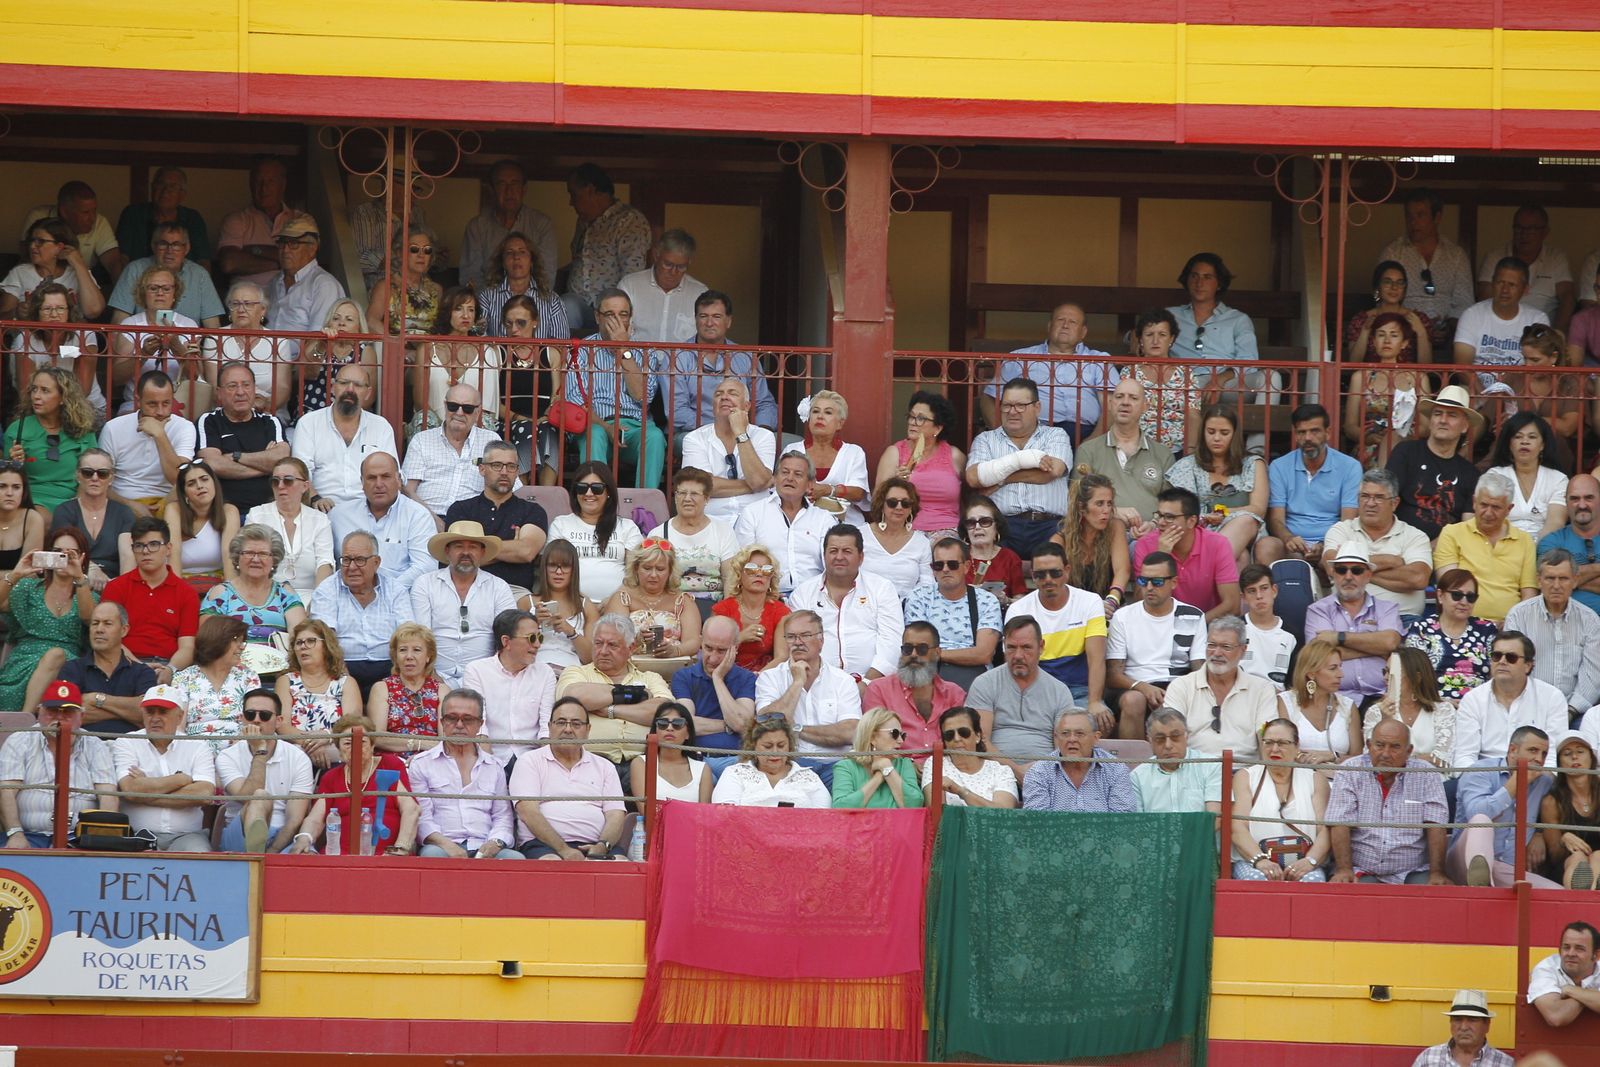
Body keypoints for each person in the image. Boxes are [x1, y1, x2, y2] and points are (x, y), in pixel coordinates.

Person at [560, 289, 664, 487]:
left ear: (630, 318)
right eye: (610, 315)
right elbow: (576, 403)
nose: (617, 321)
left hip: (636, 426)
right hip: (597, 423)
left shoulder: (645, 351)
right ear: (597, 317)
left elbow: (644, 397)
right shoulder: (580, 350)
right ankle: (594, 501)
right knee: (594, 435)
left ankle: (645, 507)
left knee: (655, 437)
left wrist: (623, 350)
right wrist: (608, 428)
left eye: (623, 315)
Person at [1327, 718, 1450, 884]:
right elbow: (1339, 824)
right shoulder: (1349, 771)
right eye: (1379, 745)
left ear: (1409, 751)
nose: (1385, 753)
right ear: (1369, 745)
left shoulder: (1426, 774)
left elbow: (1436, 826)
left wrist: (1437, 873)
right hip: (1361, 869)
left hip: (1411, 870)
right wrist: (1344, 870)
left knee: (1432, 898)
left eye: (1395, 747)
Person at [979, 302, 1117, 444]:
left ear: (1083, 332)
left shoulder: (1100, 360)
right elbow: (989, 398)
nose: (1065, 325)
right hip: (1033, 435)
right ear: (1049, 326)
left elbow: (1111, 407)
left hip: (1086, 434)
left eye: (1073, 322)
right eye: (1060, 320)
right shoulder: (1020, 358)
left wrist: (1093, 443)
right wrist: (1006, 437)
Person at [408, 688, 522, 860]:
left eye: (467, 719)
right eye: (452, 718)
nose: (459, 725)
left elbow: (503, 817)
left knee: (515, 860)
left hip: (485, 844)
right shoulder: (422, 764)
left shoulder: (495, 766)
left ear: (479, 724)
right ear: (442, 722)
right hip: (441, 846)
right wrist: (447, 845)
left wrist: (495, 843)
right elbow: (422, 818)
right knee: (433, 857)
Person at [0, 681, 116, 848]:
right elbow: (6, 792)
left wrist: (99, 837)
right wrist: (15, 833)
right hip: (28, 834)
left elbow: (108, 796)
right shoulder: (20, 740)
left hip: (79, 837)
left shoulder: (95, 745)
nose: (60, 717)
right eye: (52, 711)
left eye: (68, 712)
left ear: (81, 717)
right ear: (39, 713)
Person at [965, 377, 1073, 555]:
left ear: (1037, 408)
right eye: (1007, 405)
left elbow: (1052, 471)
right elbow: (974, 478)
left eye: (1020, 406)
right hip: (1002, 526)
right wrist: (1026, 462)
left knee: (1053, 564)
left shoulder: (1055, 435)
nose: (1012, 412)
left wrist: (1001, 479)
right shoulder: (986, 440)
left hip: (1049, 525)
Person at [510, 696, 628, 859]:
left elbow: (615, 814)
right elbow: (528, 812)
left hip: (595, 845)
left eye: (576, 724)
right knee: (552, 863)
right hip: (543, 845)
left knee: (621, 864)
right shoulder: (529, 761)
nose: (568, 729)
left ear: (588, 730)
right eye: (561, 722)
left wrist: (602, 846)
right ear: (550, 727)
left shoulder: (604, 766)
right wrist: (564, 850)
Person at [787, 525, 902, 685]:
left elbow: (892, 643)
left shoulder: (881, 588)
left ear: (861, 557)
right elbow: (798, 644)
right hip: (816, 683)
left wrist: (867, 683)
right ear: (824, 555)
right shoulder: (803, 593)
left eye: (847, 551)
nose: (839, 557)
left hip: (872, 684)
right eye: (833, 551)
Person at [1106, 551, 1204, 738]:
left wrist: (1177, 691)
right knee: (1133, 700)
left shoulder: (1194, 615)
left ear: (1173, 583)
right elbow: (1112, 675)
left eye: (1157, 582)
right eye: (1143, 581)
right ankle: (1132, 766)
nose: (1149, 587)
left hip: (1178, 684)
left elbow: (1199, 669)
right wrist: (1142, 687)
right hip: (1133, 686)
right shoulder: (1123, 617)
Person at [556, 615, 675, 768]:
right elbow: (573, 697)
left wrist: (611, 710)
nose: (603, 651)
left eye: (612, 645)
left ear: (631, 648)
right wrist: (635, 694)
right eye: (598, 643)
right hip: (588, 762)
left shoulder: (650, 678)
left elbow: (666, 713)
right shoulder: (577, 673)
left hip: (644, 762)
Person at [1005, 542, 1107, 721]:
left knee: (1095, 723)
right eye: (1040, 574)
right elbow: (1015, 660)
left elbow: (1096, 659)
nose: (1048, 579)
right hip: (1035, 689)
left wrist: (1095, 701)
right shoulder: (1018, 609)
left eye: (1055, 573)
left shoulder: (1090, 601)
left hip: (1079, 689)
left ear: (1067, 570)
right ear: (1032, 576)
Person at [752, 609, 863, 773]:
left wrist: (797, 729)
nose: (797, 642)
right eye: (791, 637)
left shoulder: (843, 681)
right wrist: (797, 683)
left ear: (821, 640)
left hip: (836, 766)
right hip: (788, 765)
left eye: (805, 635)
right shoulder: (769, 678)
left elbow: (850, 732)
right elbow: (768, 725)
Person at [293, 713, 418, 857]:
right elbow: (315, 819)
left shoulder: (390, 765)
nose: (355, 747)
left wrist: (400, 849)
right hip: (339, 856)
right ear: (339, 751)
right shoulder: (331, 777)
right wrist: (303, 839)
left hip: (387, 855)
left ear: (372, 746)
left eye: (362, 742)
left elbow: (411, 810)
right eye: (347, 743)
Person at [1447, 725, 1555, 889]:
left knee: (1557, 893)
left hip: (1509, 870)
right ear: (1512, 750)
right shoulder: (1481, 770)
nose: (1539, 759)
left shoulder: (1545, 782)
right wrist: (1514, 785)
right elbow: (1476, 813)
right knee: (1481, 820)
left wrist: (1539, 833)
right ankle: (1482, 888)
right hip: (1463, 862)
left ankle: (1486, 887)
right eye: (1533, 751)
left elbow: (1558, 810)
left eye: (1544, 754)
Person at [110, 684, 215, 853]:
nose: (155, 718)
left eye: (163, 712)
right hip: (137, 835)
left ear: (180, 716)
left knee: (199, 857)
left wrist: (144, 790)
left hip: (187, 836)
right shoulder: (126, 742)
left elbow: (204, 794)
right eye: (150, 712)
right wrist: (180, 780)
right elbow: (130, 789)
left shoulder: (198, 746)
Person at [966, 617, 1076, 777]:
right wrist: (1016, 771)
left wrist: (1039, 774)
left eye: (1026, 647)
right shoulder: (985, 683)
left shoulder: (1059, 691)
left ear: (1041, 646)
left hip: (1047, 774)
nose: (1018, 655)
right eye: (1011, 647)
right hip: (993, 773)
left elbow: (1063, 747)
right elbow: (980, 741)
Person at [0, 527, 94, 714]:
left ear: (82, 558)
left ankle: (24, 721)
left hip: (68, 669)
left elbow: (89, 618)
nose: (63, 558)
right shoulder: (29, 588)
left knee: (56, 654)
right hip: (23, 664)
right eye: (57, 552)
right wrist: (15, 574)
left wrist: (79, 578)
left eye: (71, 553)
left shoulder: (86, 595)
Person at [308, 531, 417, 692]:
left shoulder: (395, 590)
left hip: (390, 667)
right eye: (346, 560)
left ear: (376, 562)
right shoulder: (326, 590)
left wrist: (396, 677)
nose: (352, 567)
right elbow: (325, 640)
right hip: (341, 667)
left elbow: (408, 635)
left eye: (359, 560)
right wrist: (345, 681)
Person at [412, 521, 518, 687]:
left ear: (482, 552)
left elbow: (508, 638)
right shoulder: (425, 584)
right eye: (459, 546)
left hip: (486, 679)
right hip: (431, 676)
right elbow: (419, 636)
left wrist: (490, 678)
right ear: (447, 551)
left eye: (473, 547)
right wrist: (432, 679)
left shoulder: (499, 587)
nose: (466, 552)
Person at [1162, 404, 1267, 569]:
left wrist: (1222, 513)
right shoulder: (1187, 465)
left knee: (1246, 520)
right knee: (1241, 558)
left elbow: (1258, 509)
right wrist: (1206, 518)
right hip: (1199, 532)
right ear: (1202, 432)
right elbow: (1180, 511)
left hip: (1246, 533)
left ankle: (1203, 572)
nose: (1216, 438)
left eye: (1224, 433)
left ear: (1235, 435)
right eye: (1211, 432)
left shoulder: (1253, 464)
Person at [1322, 469, 1433, 621]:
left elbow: (1418, 578)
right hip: (1347, 617)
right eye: (1365, 496)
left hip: (1402, 617)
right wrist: (1390, 561)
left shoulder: (1414, 536)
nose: (1370, 503)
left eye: (1379, 497)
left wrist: (1353, 569)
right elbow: (1331, 566)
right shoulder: (1341, 530)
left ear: (1394, 503)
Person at [442, 440, 547, 601]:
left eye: (511, 466)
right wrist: (511, 547)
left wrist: (474, 549)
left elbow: (526, 551)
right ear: (482, 469)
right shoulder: (461, 510)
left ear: (517, 471)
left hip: (515, 592)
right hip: (467, 587)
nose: (504, 472)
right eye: (497, 465)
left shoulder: (532, 511)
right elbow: (454, 561)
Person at [1257, 403, 1361, 567]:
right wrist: (1288, 539)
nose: (1308, 438)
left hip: (1331, 543)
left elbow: (1348, 520)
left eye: (1314, 431)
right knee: (1266, 546)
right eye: (1302, 432)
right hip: (1292, 544)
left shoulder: (1350, 467)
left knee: (1338, 553)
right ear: (1296, 435)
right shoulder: (1279, 466)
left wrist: (1326, 545)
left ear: (1327, 433)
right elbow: (1276, 519)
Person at [1228, 718, 1330, 882]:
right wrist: (1260, 860)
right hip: (1253, 862)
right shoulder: (1246, 777)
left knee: (1312, 883)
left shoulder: (1316, 779)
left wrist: (1310, 861)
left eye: (1282, 743)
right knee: (1257, 881)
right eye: (1268, 742)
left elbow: (1324, 830)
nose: (1274, 749)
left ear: (1297, 746)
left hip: (1304, 861)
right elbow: (1238, 827)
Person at [1162, 616, 1278, 758]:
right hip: (1194, 771)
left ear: (1243, 650)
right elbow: (1171, 735)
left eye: (1226, 647)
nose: (1216, 653)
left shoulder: (1262, 689)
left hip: (1244, 772)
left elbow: (1267, 737)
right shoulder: (1181, 686)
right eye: (1211, 645)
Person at [665, 289, 779, 434]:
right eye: (703, 316)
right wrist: (719, 430)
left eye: (717, 316)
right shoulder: (677, 357)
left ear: (728, 321)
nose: (709, 323)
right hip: (694, 432)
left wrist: (762, 432)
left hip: (741, 431)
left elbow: (764, 403)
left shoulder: (746, 356)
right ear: (696, 320)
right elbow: (677, 410)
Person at [214, 687, 313, 853]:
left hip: (281, 836)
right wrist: (260, 749)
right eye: (250, 714)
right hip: (239, 835)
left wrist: (273, 851)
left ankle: (258, 859)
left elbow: (294, 820)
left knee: (308, 855)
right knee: (260, 797)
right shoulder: (227, 756)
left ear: (279, 721)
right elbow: (247, 797)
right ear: (242, 719)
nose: (257, 720)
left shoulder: (298, 757)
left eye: (265, 715)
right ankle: (255, 858)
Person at [101, 516, 199, 681]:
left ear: (168, 548)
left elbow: (188, 647)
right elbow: (108, 638)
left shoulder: (186, 593)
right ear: (133, 550)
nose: (145, 551)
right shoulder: (116, 588)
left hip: (170, 668)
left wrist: (170, 670)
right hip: (123, 665)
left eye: (154, 544)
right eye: (139, 546)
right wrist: (139, 667)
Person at [1505, 550, 1600, 720]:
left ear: (1575, 580)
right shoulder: (1519, 615)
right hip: (1526, 709)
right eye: (1550, 578)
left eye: (1563, 578)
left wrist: (1569, 711)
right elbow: (1512, 668)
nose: (1556, 585)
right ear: (1539, 580)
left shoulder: (1590, 620)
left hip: (1575, 713)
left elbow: (1592, 674)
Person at [1303, 545, 1402, 705]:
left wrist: (1338, 637)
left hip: (1382, 697)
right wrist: (1376, 649)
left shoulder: (1387, 608)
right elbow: (1319, 656)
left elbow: (1390, 642)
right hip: (1334, 698)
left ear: (1368, 575)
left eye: (1356, 570)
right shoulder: (1318, 610)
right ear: (1334, 574)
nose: (1348, 576)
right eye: (1341, 570)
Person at [290, 365, 398, 511]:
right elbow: (300, 472)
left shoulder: (381, 426)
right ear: (333, 387)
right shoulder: (309, 423)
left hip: (369, 508)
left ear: (368, 393)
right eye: (344, 383)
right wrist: (315, 498)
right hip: (321, 508)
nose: (350, 390)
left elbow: (392, 473)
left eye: (358, 385)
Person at [1454, 631, 1567, 768]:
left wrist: (1542, 782)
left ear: (1528, 665)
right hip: (1486, 776)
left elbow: (1552, 756)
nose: (1502, 661)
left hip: (1535, 775)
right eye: (1496, 656)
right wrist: (1476, 783)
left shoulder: (1552, 697)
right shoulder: (1473, 700)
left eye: (1511, 657)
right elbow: (1465, 756)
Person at [1435, 473, 1537, 624]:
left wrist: (1512, 623)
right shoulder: (1452, 533)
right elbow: (1450, 589)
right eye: (1483, 505)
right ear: (1474, 502)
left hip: (1509, 628)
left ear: (1509, 509)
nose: (1488, 513)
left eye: (1496, 507)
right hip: (1463, 625)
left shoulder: (1524, 540)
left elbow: (1529, 594)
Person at [1378, 188, 1475, 346]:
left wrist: (1448, 328)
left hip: (1448, 338)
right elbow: (1381, 300)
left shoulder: (1456, 255)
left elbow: (1464, 302)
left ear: (1437, 217)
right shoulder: (1393, 253)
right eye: (1409, 216)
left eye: (1420, 215)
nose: (1413, 222)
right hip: (1402, 338)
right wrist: (1414, 326)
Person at [1386, 385, 1482, 542]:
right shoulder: (1406, 453)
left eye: (1452, 415)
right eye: (1438, 414)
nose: (1443, 420)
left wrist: (1435, 548)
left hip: (1444, 551)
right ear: (1430, 421)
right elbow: (1386, 501)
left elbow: (1468, 527)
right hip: (1398, 542)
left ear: (1464, 426)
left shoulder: (1470, 474)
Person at [461, 609, 557, 766]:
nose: (538, 645)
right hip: (490, 756)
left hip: (532, 759)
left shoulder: (545, 673)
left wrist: (543, 767)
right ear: (506, 641)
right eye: (531, 638)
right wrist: (490, 768)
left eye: (539, 637)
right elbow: (479, 729)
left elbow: (546, 730)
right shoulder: (476, 671)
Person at [904, 538, 1002, 691]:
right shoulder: (918, 597)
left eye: (952, 564)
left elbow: (984, 654)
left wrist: (935, 653)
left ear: (967, 567)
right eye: (938, 565)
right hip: (927, 671)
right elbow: (918, 649)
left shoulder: (987, 600)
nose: (945, 569)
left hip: (973, 675)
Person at [562, 163, 651, 331]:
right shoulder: (583, 221)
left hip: (610, 310)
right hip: (577, 306)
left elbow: (632, 274)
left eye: (574, 195)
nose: (571, 202)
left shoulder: (629, 221)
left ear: (589, 190)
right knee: (566, 304)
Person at [1075, 379, 1174, 529]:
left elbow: (1171, 503)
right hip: (1102, 535)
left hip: (1150, 537)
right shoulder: (1088, 450)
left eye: (1133, 398)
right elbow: (1079, 500)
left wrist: (1153, 525)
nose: (1125, 402)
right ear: (1110, 403)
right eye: (1119, 397)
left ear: (1145, 407)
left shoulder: (1163, 454)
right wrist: (1112, 512)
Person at [329, 452, 436, 590]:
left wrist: (384, 593)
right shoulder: (339, 516)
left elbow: (425, 567)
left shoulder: (417, 516)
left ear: (398, 480)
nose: (379, 484)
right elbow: (327, 563)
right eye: (371, 478)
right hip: (347, 596)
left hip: (399, 599)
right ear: (362, 482)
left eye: (385, 477)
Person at [1132, 486, 1241, 620]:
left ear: (1191, 521)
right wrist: (1161, 557)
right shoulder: (1145, 545)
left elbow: (1232, 605)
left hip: (1207, 626)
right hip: (1160, 625)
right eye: (1159, 515)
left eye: (1169, 517)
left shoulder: (1218, 544)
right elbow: (1139, 601)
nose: (1160, 523)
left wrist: (1194, 627)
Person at [731, 452, 833, 595]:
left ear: (810, 484)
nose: (790, 478)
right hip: (766, 596)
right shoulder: (753, 513)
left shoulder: (823, 519)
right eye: (784, 472)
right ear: (775, 478)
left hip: (813, 596)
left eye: (798, 474)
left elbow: (832, 565)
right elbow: (742, 563)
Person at [195, 361, 288, 515]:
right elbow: (213, 464)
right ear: (219, 393)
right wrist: (265, 467)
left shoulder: (270, 422)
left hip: (267, 512)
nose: (240, 392)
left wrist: (236, 456)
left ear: (254, 389)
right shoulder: (209, 421)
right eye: (232, 386)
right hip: (223, 512)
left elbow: (282, 459)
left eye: (246, 385)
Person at [1343, 312, 1434, 467]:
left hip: (1408, 445)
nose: (1386, 340)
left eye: (1393, 335)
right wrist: (1369, 437)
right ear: (1373, 341)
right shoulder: (1361, 377)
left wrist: (1401, 437)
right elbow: (1350, 426)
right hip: (1370, 446)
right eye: (1381, 335)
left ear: (1404, 343)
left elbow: (1426, 426)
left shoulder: (1417, 378)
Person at [6, 368, 97, 524]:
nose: (36, 396)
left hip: (75, 497)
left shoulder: (83, 430)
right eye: (34, 389)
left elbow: (91, 472)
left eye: (45, 391)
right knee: (43, 520)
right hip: (33, 498)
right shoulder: (17, 430)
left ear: (63, 397)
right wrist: (15, 463)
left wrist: (78, 503)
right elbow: (8, 479)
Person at [401, 384, 503, 522]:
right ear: (445, 406)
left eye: (467, 409)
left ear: (478, 412)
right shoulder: (422, 440)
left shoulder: (491, 441)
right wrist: (433, 521)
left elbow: (507, 487)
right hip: (425, 519)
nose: (459, 413)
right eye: (453, 406)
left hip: (474, 522)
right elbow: (408, 490)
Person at [99, 371, 197, 515]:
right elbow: (100, 481)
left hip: (168, 503)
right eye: (152, 404)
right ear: (138, 400)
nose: (160, 411)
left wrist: (160, 435)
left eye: (166, 403)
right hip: (124, 502)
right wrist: (130, 505)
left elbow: (178, 479)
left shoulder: (184, 427)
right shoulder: (113, 428)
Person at [681, 379, 776, 526]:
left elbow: (759, 480)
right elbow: (701, 486)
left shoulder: (764, 436)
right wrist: (753, 486)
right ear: (713, 407)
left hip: (758, 520)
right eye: (719, 394)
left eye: (732, 393)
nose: (724, 397)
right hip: (710, 520)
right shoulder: (694, 438)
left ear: (746, 406)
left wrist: (740, 433)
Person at [861, 623, 967, 755]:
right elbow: (875, 742)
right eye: (907, 649)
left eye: (922, 649)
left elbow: (961, 743)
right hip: (896, 770)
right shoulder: (878, 690)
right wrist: (908, 764)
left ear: (937, 653)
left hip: (944, 770)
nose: (913, 655)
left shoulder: (954, 694)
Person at [107, 265, 198, 416]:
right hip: (136, 405)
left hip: (178, 406)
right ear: (143, 294)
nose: (160, 293)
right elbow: (117, 378)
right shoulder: (130, 325)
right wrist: (143, 354)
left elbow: (194, 375)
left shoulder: (188, 325)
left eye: (166, 288)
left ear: (175, 293)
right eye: (153, 288)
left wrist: (176, 346)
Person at [10, 283, 106, 423]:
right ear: (37, 312)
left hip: (85, 407)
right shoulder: (24, 339)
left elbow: (83, 389)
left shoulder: (84, 335)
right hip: (39, 409)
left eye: (60, 308)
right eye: (47, 309)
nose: (54, 315)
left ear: (69, 311)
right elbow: (26, 390)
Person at [1167, 252, 1259, 397]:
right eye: (1194, 276)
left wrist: (1221, 379)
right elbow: (1146, 331)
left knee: (1271, 378)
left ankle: (1262, 419)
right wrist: (1134, 335)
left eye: (1207, 277)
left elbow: (1249, 360)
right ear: (1187, 280)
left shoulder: (1238, 319)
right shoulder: (1170, 316)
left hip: (1227, 384)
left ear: (1219, 284)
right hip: (1183, 383)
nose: (1199, 283)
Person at [548, 461, 642, 603]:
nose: (589, 493)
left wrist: (613, 602)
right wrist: (584, 604)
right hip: (571, 604)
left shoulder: (627, 527)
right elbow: (553, 571)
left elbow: (635, 574)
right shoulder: (560, 524)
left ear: (608, 492)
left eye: (597, 488)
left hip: (618, 604)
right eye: (582, 488)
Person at [58, 602, 158, 735]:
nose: (99, 629)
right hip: (83, 748)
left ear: (124, 630)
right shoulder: (72, 669)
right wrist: (126, 712)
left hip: (129, 749)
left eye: (107, 623)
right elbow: (66, 716)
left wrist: (96, 699)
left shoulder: (142, 672)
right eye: (95, 623)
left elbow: (146, 714)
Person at [877, 391, 966, 538]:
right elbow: (877, 501)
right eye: (911, 416)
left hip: (948, 532)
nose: (913, 422)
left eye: (921, 419)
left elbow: (970, 495)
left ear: (938, 428)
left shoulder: (954, 455)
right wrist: (895, 483)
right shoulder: (895, 453)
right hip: (906, 530)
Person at [276, 619, 362, 769]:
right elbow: (282, 725)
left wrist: (325, 738)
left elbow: (351, 725)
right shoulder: (285, 681)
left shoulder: (346, 683)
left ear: (327, 646)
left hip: (336, 748)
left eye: (310, 641)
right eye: (299, 643)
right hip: (297, 748)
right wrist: (310, 745)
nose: (303, 647)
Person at [460, 160, 558, 292]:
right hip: (487, 304)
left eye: (515, 184)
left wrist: (521, 305)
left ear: (524, 189)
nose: (509, 191)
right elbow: (470, 277)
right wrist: (496, 300)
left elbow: (547, 277)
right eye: (502, 184)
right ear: (492, 190)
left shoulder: (541, 225)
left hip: (531, 305)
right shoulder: (477, 227)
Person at [244, 458, 334, 600]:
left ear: (305, 486)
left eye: (288, 480)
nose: (280, 486)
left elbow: (325, 563)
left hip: (311, 595)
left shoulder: (320, 520)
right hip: (267, 596)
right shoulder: (256, 516)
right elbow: (250, 561)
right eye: (275, 481)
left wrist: (318, 601)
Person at [200, 525, 306, 645]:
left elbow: (300, 637)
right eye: (249, 553)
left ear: (274, 559)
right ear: (237, 558)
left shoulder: (285, 592)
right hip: (231, 662)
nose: (256, 559)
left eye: (263, 554)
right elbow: (207, 641)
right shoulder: (221, 593)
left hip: (278, 661)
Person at [1456, 257, 1549, 391]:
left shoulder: (1537, 319)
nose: (1505, 290)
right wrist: (1485, 399)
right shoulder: (1471, 315)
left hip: (1521, 393)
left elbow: (1539, 367)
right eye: (1500, 282)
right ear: (1492, 283)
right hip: (1476, 392)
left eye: (1512, 285)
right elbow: (1462, 365)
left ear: (1525, 289)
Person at [600, 539, 703, 660]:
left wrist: (675, 651)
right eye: (647, 568)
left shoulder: (683, 601)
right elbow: (612, 639)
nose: (653, 575)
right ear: (636, 568)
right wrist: (636, 641)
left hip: (673, 668)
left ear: (670, 571)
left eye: (660, 569)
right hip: (629, 668)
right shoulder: (622, 598)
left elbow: (693, 641)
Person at [1404, 569, 1497, 703]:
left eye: (1470, 597)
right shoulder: (1421, 629)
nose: (1464, 602)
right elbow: (1413, 677)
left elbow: (1496, 675)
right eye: (1457, 595)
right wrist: (1442, 704)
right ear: (1440, 596)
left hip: (1479, 707)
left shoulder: (1486, 629)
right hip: (1433, 706)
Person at [669, 615, 758, 755]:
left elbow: (742, 724)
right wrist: (727, 726)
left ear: (735, 648)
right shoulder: (684, 676)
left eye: (722, 651)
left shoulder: (746, 678)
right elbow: (685, 723)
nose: (713, 658)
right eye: (708, 648)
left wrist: (718, 678)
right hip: (696, 758)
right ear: (701, 643)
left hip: (737, 760)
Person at [262, 213, 346, 358]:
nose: (285, 250)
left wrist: (295, 370)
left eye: (293, 244)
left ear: (312, 248)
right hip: (267, 361)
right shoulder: (275, 281)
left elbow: (318, 338)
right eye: (282, 243)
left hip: (301, 368)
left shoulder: (324, 284)